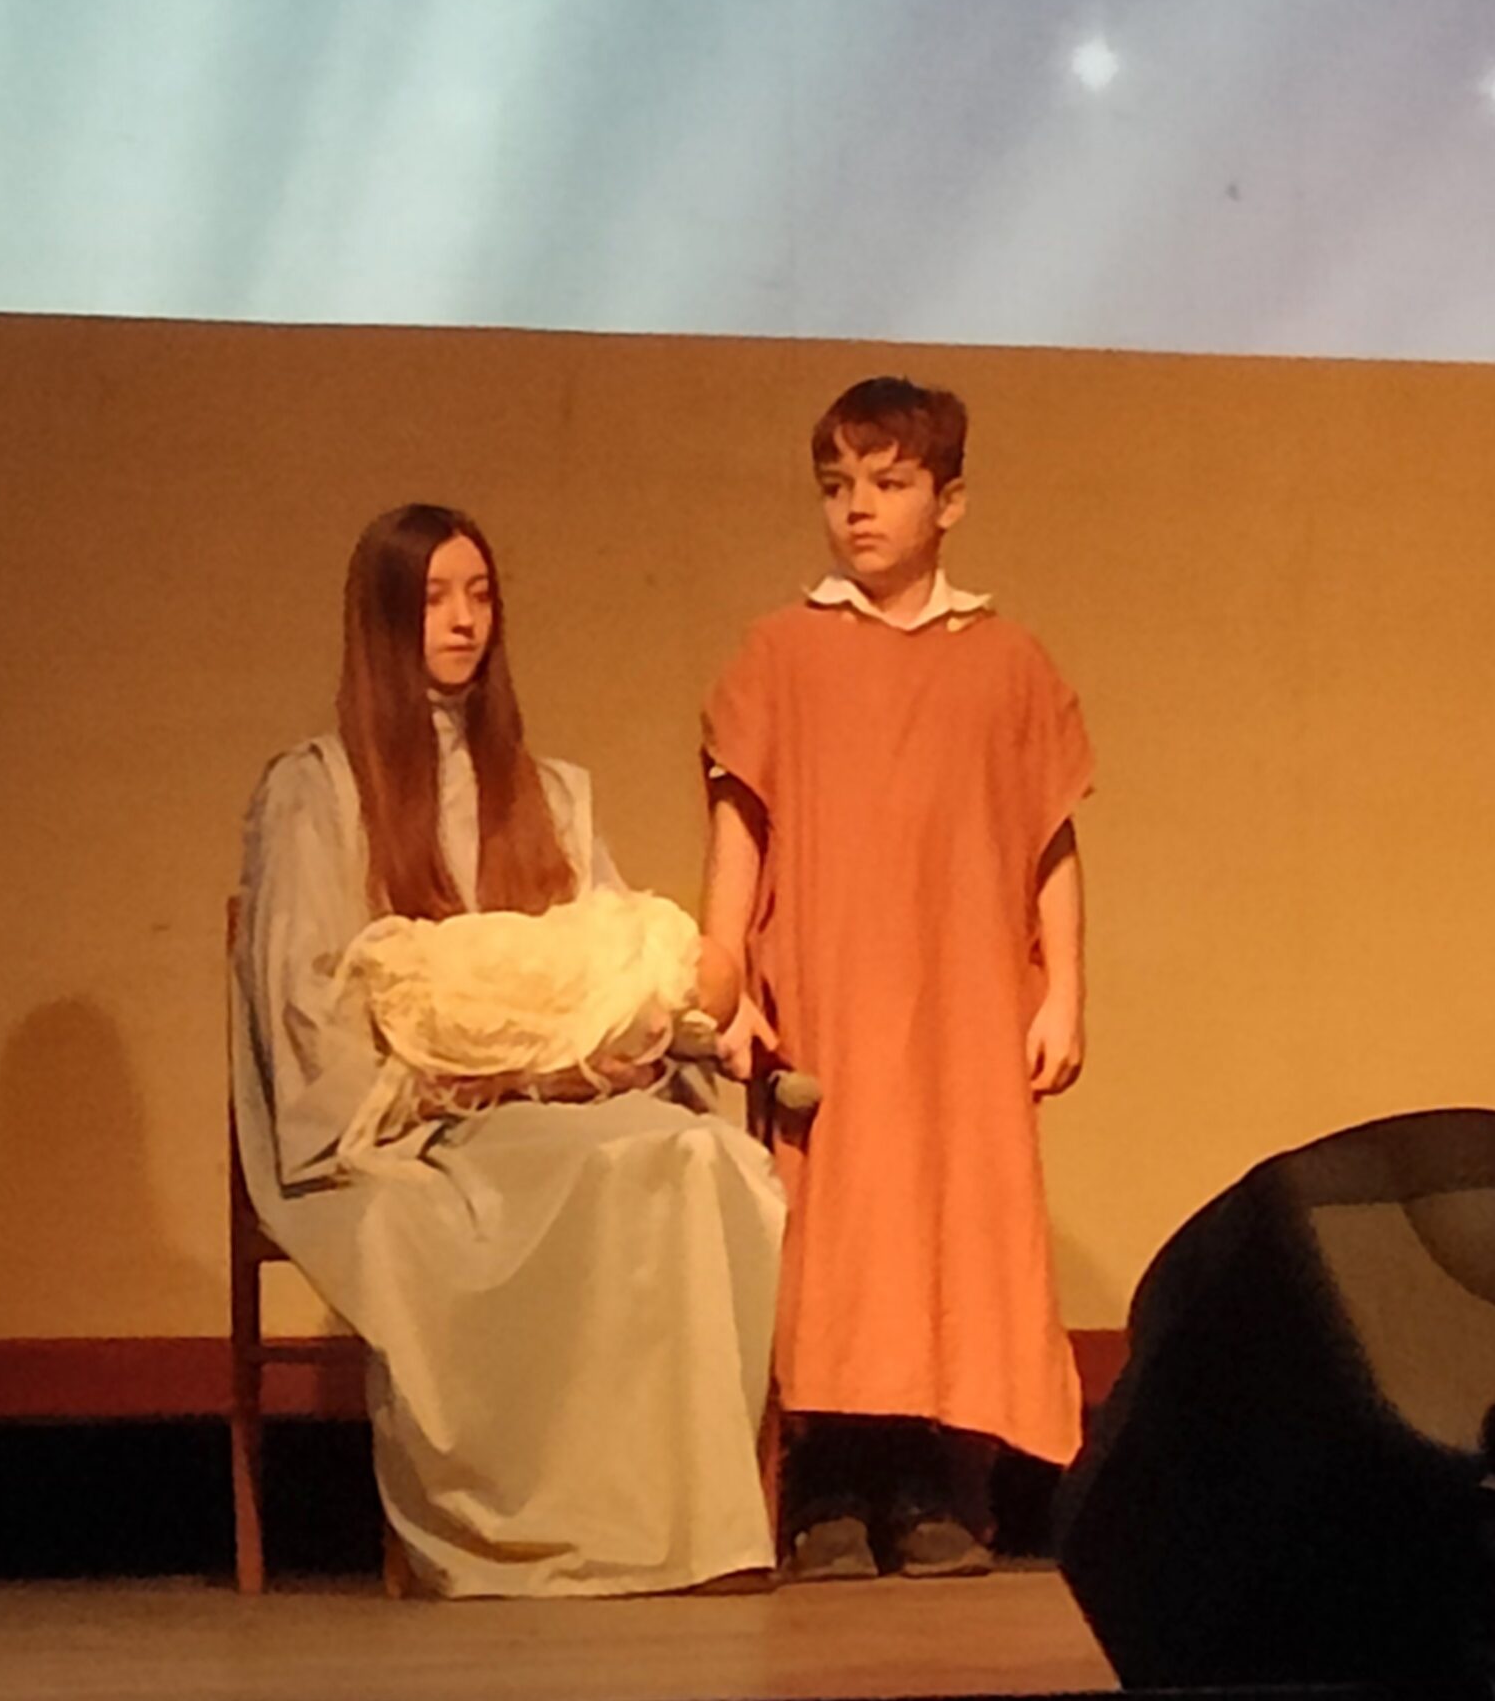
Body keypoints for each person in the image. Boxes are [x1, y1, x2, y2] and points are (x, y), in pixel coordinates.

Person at [234, 503, 784, 1597]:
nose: (463, 621)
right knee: (562, 1182)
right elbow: (309, 997)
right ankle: (548, 1524)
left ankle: (687, 1519)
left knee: (704, 1158)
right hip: (423, 1114)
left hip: (561, 1102)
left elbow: (608, 955)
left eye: (479, 595)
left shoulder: (550, 792)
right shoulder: (319, 791)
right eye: (435, 598)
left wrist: (666, 1026)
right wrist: (470, 1072)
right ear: (385, 618)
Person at [701, 379, 1091, 1581]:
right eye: (837, 487)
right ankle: (827, 1477)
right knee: (836, 1226)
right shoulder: (783, 650)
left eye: (888, 483)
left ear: (948, 500)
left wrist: (1063, 991)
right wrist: (724, 981)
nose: (857, 509)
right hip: (829, 993)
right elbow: (740, 826)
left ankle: (928, 1477)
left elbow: (1048, 837)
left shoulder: (1005, 661)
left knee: (949, 1220)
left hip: (960, 996)